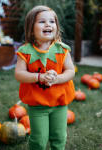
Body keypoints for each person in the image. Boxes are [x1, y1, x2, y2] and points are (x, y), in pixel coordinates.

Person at [15, 5, 75, 150]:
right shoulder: (26, 52)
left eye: (52, 21)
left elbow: (71, 71)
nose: (48, 24)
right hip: (38, 105)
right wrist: (39, 77)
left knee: (59, 137)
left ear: (56, 27)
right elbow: (19, 74)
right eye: (42, 21)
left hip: (59, 103)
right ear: (31, 28)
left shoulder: (62, 49)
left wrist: (57, 79)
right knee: (39, 140)